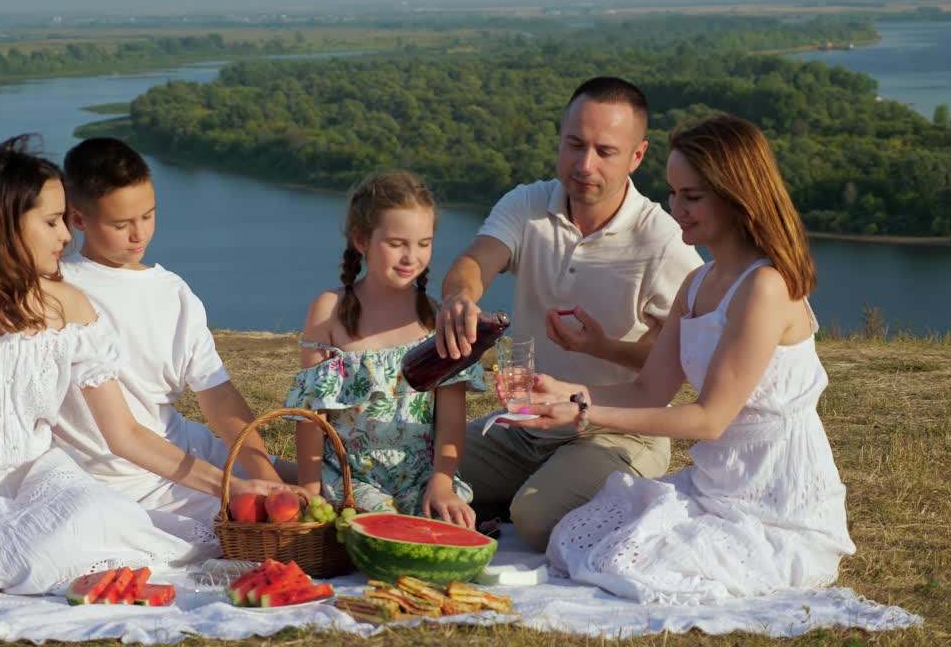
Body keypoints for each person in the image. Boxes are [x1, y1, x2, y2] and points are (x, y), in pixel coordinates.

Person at [519, 114, 856, 603]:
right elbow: (647, 389)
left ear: (737, 196)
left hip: (774, 497)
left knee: (622, 560)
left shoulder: (765, 286)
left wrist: (585, 413)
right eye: (673, 193)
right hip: (715, 482)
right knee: (574, 534)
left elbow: (710, 419)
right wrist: (564, 392)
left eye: (692, 197)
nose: (676, 208)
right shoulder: (697, 284)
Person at [0, 136, 214, 596]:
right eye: (53, 221)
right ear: (6, 223)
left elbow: (127, 434)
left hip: (44, 477)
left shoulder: (70, 309)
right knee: (29, 553)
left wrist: (232, 486)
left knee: (104, 516)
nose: (67, 236)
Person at [437, 76, 703, 549]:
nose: (584, 164)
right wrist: (461, 296)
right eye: (574, 144)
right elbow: (476, 261)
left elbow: (682, 363)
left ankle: (522, 499)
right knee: (416, 470)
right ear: (559, 138)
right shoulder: (527, 203)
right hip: (524, 425)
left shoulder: (661, 240)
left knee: (537, 517)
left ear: (637, 157)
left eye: (605, 151)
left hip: (615, 431)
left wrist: (603, 348)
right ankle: (518, 493)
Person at [53, 137, 296, 545]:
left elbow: (218, 398)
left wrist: (271, 483)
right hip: (119, 470)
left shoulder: (172, 292)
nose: (138, 234)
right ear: (78, 219)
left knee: (311, 482)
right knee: (239, 524)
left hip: (183, 443)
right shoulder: (58, 290)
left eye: (148, 216)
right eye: (120, 224)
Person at [286, 172, 485, 528]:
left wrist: (441, 484)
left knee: (448, 528)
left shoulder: (437, 318)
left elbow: (452, 419)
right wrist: (309, 490)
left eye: (424, 243)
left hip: (421, 478)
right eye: (397, 243)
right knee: (384, 529)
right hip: (350, 478)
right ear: (362, 240)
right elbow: (311, 416)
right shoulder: (329, 310)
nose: (412, 256)